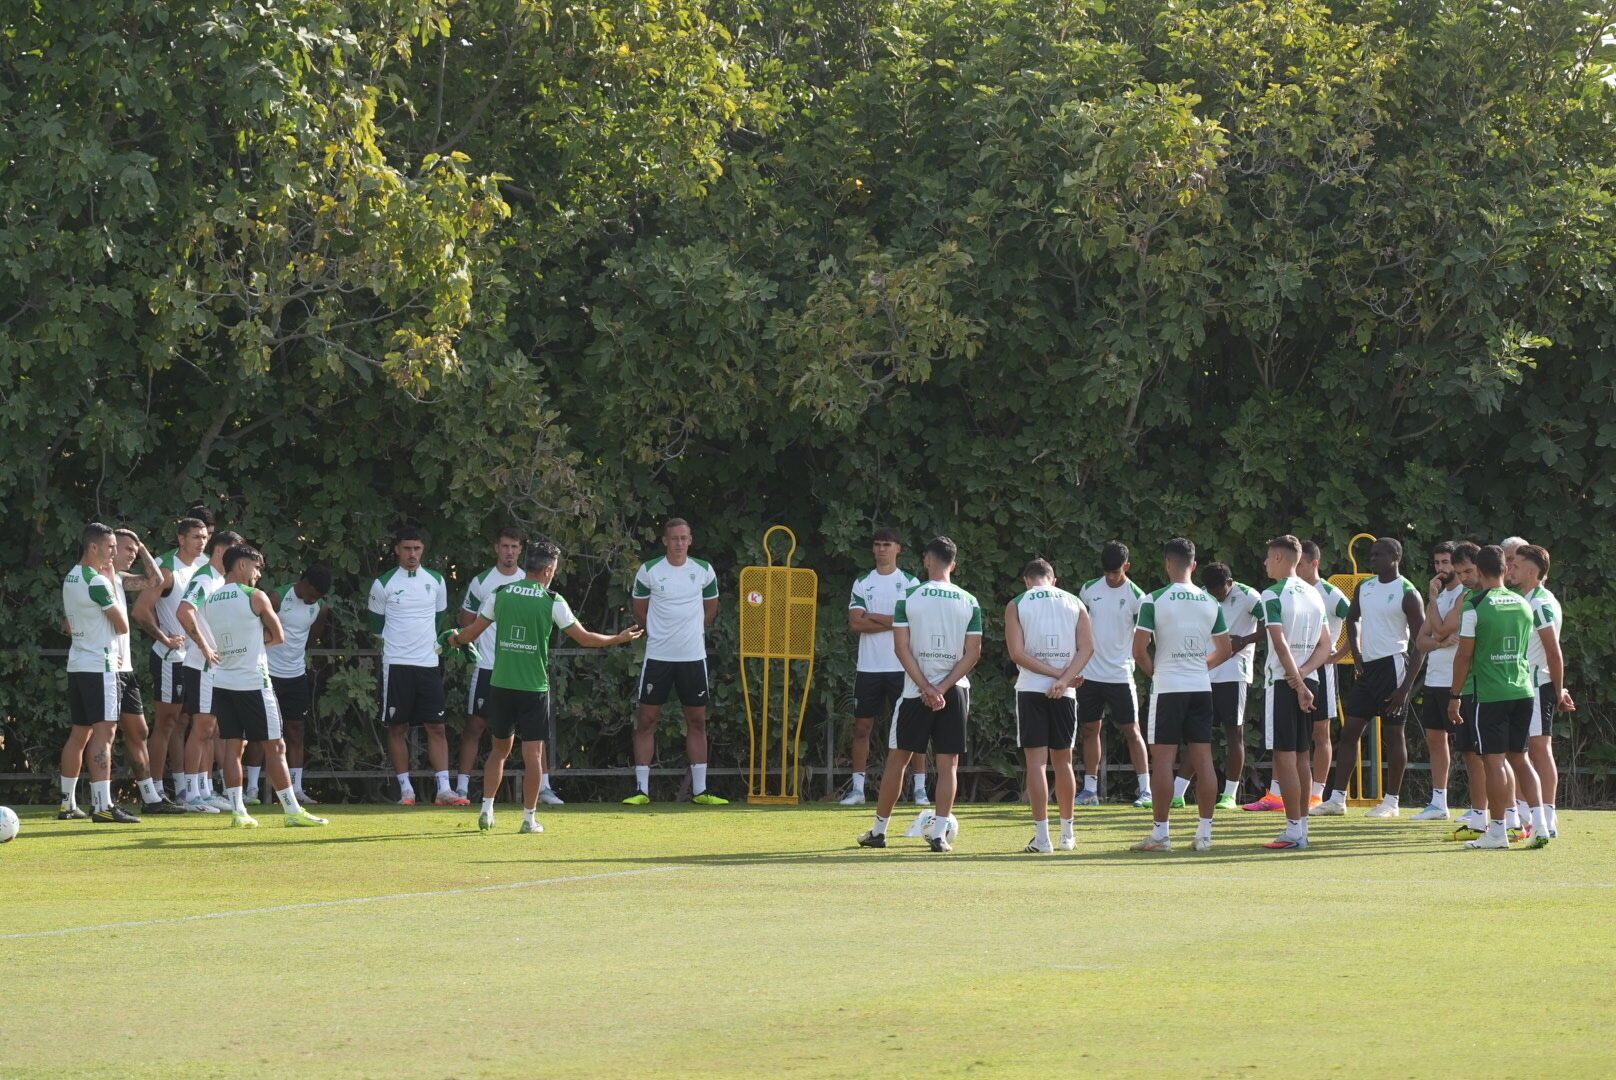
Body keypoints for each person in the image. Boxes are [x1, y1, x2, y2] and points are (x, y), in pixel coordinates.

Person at [446, 539, 643, 832]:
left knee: (498, 751)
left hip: (500, 685)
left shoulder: (500, 593)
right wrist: (619, 638)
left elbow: (470, 633)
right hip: (533, 688)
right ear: (549, 569)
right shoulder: (552, 600)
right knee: (534, 756)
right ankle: (529, 819)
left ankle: (487, 810)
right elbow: (585, 638)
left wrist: (453, 639)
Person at [858, 537, 983, 852]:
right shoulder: (970, 600)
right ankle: (939, 835)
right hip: (954, 691)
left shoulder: (909, 597)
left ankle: (879, 831)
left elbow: (901, 648)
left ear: (927, 560)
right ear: (953, 564)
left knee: (897, 760)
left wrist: (927, 687)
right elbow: (973, 653)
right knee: (948, 764)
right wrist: (942, 687)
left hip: (916, 691)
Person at [196, 545, 327, 827]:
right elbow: (279, 636)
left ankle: (238, 813)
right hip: (254, 682)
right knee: (276, 746)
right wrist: (257, 642)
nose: (258, 574)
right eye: (256, 568)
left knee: (233, 747)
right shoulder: (255, 596)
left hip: (223, 682)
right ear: (241, 565)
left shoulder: (210, 599)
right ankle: (292, 812)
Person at [1129, 539, 1232, 853]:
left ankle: (1161, 835)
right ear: (1194, 565)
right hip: (1200, 688)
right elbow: (1225, 650)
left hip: (1168, 688)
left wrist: (1156, 673)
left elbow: (1138, 650)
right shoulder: (1210, 602)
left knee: (1163, 760)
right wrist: (1200, 667)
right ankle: (1204, 835)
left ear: (1167, 564)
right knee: (1203, 759)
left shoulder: (1153, 600)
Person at [1447, 545, 1548, 849]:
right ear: (1505, 569)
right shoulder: (1523, 603)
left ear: (1479, 571)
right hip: (1523, 690)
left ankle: (1498, 831)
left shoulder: (1474, 605)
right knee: (1520, 758)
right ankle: (1541, 826)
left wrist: (1454, 696)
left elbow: (1464, 655)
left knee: (1493, 762)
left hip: (1491, 694)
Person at [1314, 537, 1423, 818]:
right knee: (1349, 732)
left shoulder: (1408, 592)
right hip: (1368, 669)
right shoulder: (1365, 587)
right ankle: (1337, 799)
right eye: (1371, 555)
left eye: (1378, 555)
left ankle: (1391, 802)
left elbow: (1421, 644)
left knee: (1393, 734)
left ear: (1395, 557)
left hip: (1393, 666)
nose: (1372, 559)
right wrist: (1357, 654)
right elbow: (1352, 619)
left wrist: (1405, 689)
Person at [625, 518, 726, 805]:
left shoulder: (704, 570)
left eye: (684, 538)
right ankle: (642, 791)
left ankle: (700, 792)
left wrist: (693, 631)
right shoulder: (649, 570)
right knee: (646, 720)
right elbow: (639, 609)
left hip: (692, 657)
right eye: (674, 538)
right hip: (658, 656)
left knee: (697, 720)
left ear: (690, 540)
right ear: (665, 541)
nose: (679, 543)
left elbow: (711, 607)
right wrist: (658, 632)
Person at [1004, 559, 1093, 852]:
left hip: (1031, 688)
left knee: (1036, 763)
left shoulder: (1017, 603)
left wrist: (1057, 676)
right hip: (1065, 692)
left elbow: (1017, 654)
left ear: (1026, 580)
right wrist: (1064, 678)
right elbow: (1087, 648)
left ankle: (1042, 838)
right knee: (1064, 762)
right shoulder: (1074, 602)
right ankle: (1067, 835)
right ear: (1053, 580)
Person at [368, 526, 460, 806]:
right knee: (397, 727)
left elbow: (438, 618)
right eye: (407, 548)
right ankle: (406, 790)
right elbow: (376, 627)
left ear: (423, 550)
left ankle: (444, 790)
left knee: (437, 726)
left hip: (428, 663)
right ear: (397, 549)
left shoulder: (436, 580)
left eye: (417, 548)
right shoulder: (383, 584)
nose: (412, 554)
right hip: (396, 664)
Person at [453, 528, 545, 803]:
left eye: (514, 546)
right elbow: (466, 624)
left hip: (523, 670)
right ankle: (461, 787)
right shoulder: (482, 582)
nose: (509, 551)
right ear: (496, 548)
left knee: (534, 733)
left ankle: (545, 788)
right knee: (476, 725)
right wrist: (470, 650)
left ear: (521, 550)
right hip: (488, 667)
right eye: (505, 546)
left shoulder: (530, 581)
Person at [58, 523, 140, 822]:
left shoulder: (71, 577)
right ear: (93, 547)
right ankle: (103, 806)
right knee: (105, 734)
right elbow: (123, 625)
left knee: (79, 733)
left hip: (78, 663)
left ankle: (67, 804)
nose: (114, 552)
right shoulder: (97, 582)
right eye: (110, 547)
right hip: (101, 665)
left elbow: (68, 626)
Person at [1257, 535, 1333, 850]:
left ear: (1279, 558)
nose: (1265, 563)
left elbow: (1279, 643)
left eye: (1268, 557)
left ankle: (1292, 831)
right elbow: (1326, 645)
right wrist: (1304, 674)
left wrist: (1296, 680)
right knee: (1302, 755)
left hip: (1283, 682)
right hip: (1309, 678)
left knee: (1285, 756)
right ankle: (1301, 829)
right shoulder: (1314, 594)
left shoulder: (1272, 594)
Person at [842, 528, 925, 806]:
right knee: (862, 727)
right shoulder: (863, 582)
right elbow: (856, 623)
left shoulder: (910, 582)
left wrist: (874, 616)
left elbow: (912, 622)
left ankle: (920, 790)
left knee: (914, 728)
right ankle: (857, 790)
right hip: (869, 667)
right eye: (877, 544)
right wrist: (893, 620)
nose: (881, 549)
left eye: (887, 545)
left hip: (904, 667)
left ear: (898, 548)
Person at [131, 515, 210, 809]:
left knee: (185, 722)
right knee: (165, 723)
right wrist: (164, 638)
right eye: (196, 537)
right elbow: (141, 609)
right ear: (181, 538)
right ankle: (154, 792)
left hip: (194, 659)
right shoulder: (166, 568)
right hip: (170, 658)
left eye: (204, 537)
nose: (201, 542)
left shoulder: (203, 567)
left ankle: (183, 790)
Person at [108, 527, 185, 814]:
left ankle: (152, 799)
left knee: (139, 730)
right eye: (126, 549)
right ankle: (91, 802)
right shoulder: (94, 579)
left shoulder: (120, 578)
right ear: (109, 548)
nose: (131, 554)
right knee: (95, 734)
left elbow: (154, 580)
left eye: (134, 550)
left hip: (124, 669)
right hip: (103, 668)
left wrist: (141, 548)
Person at [1171, 562, 1259, 811]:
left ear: (1229, 583)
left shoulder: (1249, 595)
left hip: (1234, 673)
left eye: (1220, 592)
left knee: (1234, 732)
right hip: (1204, 671)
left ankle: (1229, 795)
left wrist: (1244, 640)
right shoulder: (1201, 595)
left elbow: (1273, 624)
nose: (1216, 596)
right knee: (1198, 733)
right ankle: (1177, 793)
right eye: (1212, 592)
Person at [1389, 542, 1468, 821]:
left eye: (1446, 562)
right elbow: (1421, 641)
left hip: (1458, 681)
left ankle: (1480, 807)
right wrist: (1440, 641)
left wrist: (1436, 623)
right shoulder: (1439, 596)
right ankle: (1438, 803)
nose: (1440, 568)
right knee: (1435, 738)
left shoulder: (1465, 594)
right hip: (1434, 679)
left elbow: (1443, 628)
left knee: (1469, 747)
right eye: (1437, 563)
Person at [1075, 541, 1151, 807]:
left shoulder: (1138, 597)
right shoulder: (1088, 590)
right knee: (1089, 729)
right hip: (1089, 674)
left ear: (1126, 567)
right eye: (1107, 572)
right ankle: (1090, 791)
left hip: (1120, 675)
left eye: (1115, 572)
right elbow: (1080, 629)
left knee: (1132, 730)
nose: (1110, 577)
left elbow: (1144, 638)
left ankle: (1146, 791)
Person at [175, 529, 245, 812]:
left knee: (210, 729)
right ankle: (190, 794)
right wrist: (204, 646)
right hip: (202, 665)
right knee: (202, 727)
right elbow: (184, 610)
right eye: (234, 551)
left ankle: (203, 790)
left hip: (214, 666)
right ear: (220, 551)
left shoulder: (218, 578)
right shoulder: (205, 577)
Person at [1511, 544, 1574, 838]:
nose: (1510, 569)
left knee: (1538, 749)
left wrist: (1559, 691)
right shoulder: (1527, 598)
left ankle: (1547, 818)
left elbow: (1553, 651)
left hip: (1537, 685)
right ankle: (1526, 815)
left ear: (1531, 571)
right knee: (1522, 750)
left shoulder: (1539, 602)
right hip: (1526, 685)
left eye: (1516, 564)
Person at [264, 564, 332, 805]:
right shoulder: (277, 597)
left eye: (318, 597)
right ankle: (252, 790)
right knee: (260, 731)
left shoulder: (320, 608)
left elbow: (312, 637)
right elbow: (256, 629)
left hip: (296, 675)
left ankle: (297, 788)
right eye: (312, 593)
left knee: (296, 730)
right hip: (267, 673)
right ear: (304, 582)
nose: (313, 599)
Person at [1293, 541, 1352, 809]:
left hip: (1323, 671)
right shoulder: (1292, 590)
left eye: (1301, 564)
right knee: (1292, 732)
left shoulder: (1330, 593)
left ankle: (1317, 793)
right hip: (1294, 669)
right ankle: (1283, 791)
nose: (1296, 569)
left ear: (1314, 563)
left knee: (1320, 732)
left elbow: (1357, 621)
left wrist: (1338, 655)